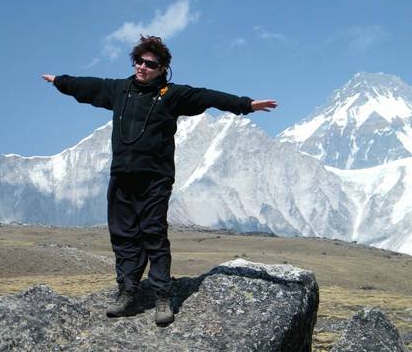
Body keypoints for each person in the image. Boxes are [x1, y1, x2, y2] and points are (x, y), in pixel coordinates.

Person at [42, 35, 277, 325]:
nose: (141, 67)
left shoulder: (172, 95)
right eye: (138, 61)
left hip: (155, 178)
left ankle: (162, 296)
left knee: (153, 234)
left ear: (162, 67)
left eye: (149, 64)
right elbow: (88, 86)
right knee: (123, 236)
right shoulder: (120, 90)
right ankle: (127, 292)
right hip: (121, 176)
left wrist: (246, 104)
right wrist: (60, 81)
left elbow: (208, 96)